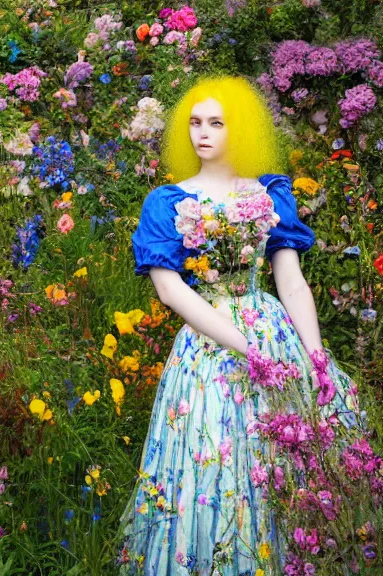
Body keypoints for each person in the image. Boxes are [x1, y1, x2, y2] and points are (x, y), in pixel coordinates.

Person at [117, 76, 376, 574]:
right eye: (194, 123)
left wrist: (316, 357)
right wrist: (244, 347)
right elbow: (171, 290)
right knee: (211, 456)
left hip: (274, 334)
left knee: (281, 461)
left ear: (243, 129)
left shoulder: (269, 193)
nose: (203, 133)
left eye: (216, 123)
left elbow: (292, 283)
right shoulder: (168, 202)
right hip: (209, 346)